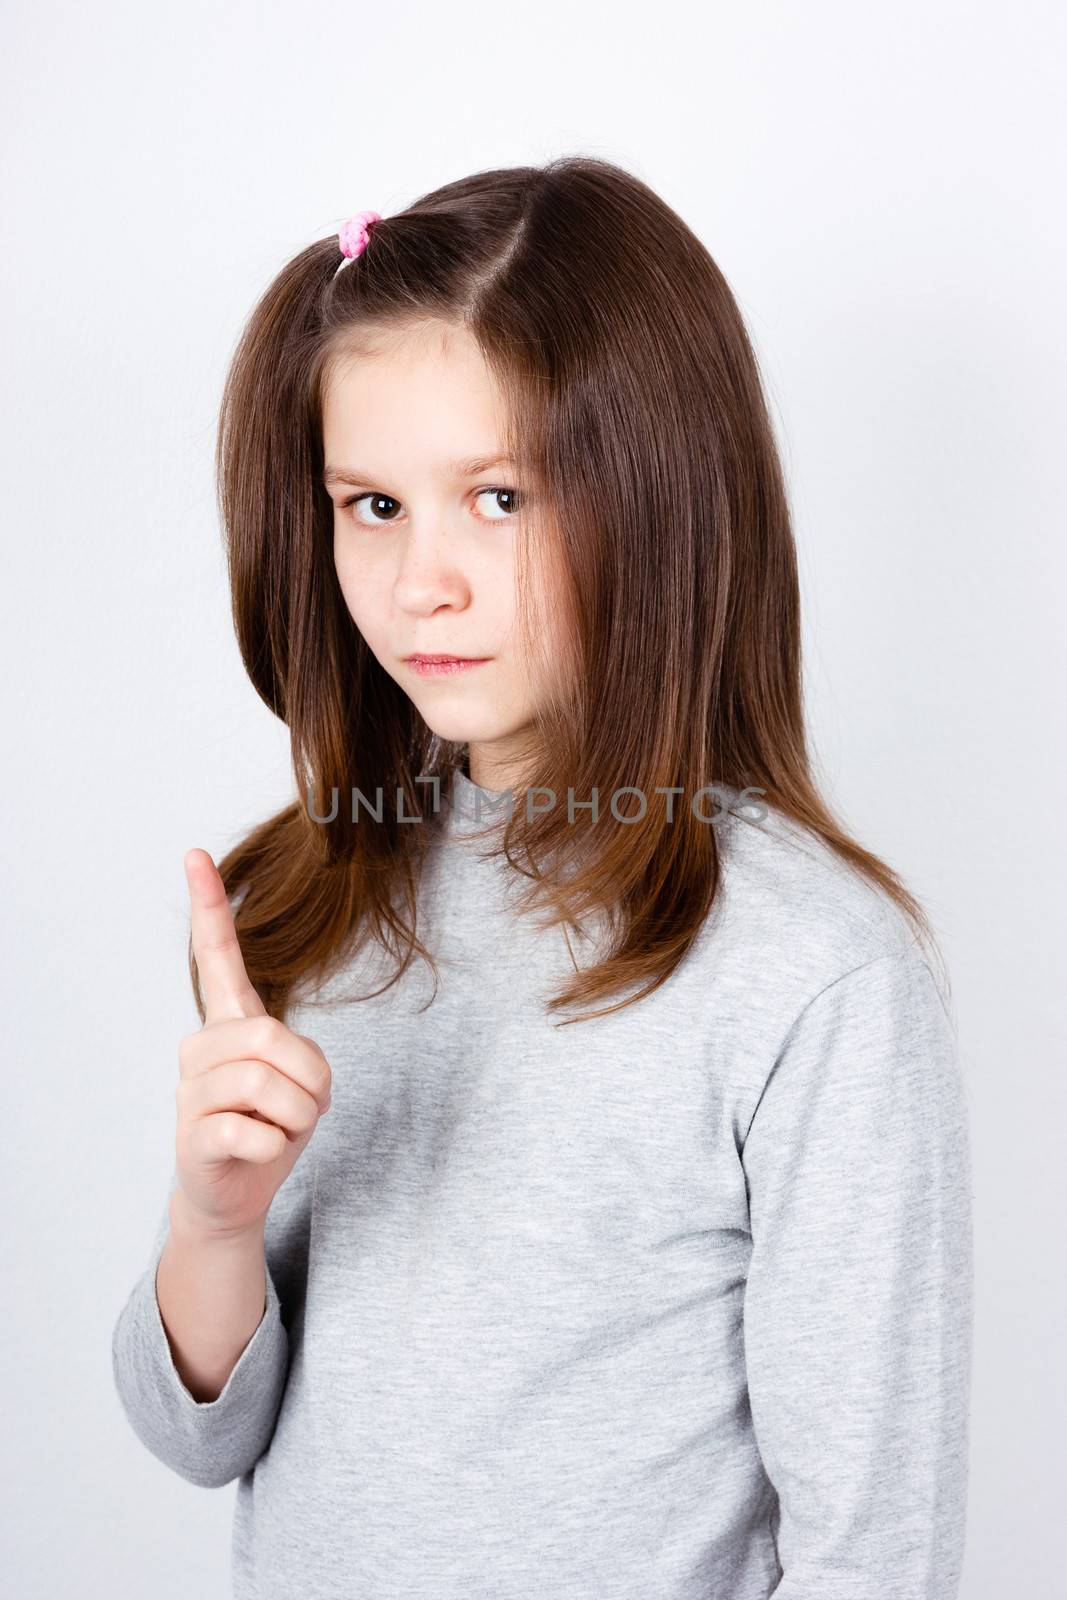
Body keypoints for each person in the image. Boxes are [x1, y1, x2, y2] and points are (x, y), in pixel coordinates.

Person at [111, 155, 973, 1599]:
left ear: (663, 500)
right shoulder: (316, 909)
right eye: (370, 505)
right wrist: (215, 1219)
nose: (419, 579)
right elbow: (201, 1440)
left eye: (498, 497)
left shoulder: (812, 971)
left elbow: (875, 1543)